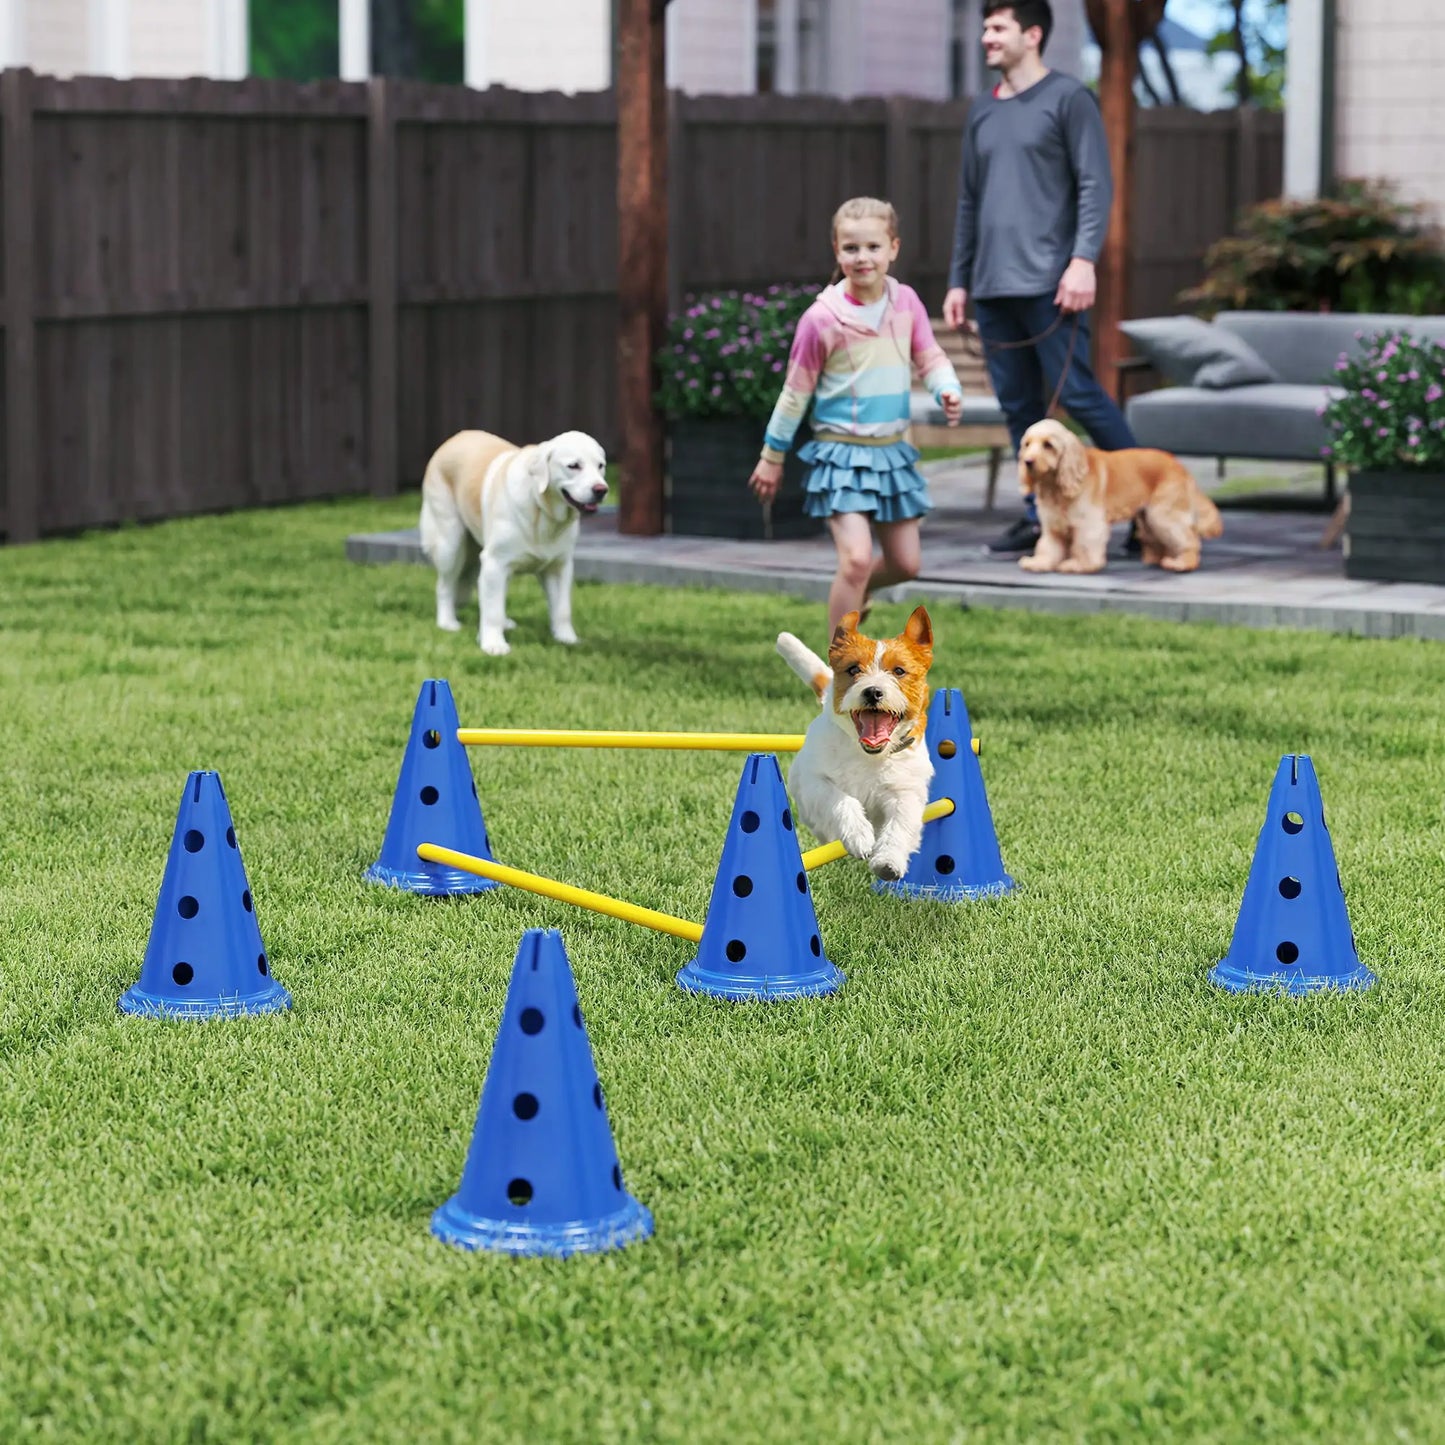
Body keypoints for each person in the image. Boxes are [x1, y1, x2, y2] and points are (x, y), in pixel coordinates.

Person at [943, 0, 1140, 556]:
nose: (986, 36)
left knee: (1077, 394)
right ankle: (1040, 517)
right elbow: (968, 202)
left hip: (1053, 282)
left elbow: (1094, 187)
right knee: (1019, 409)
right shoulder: (983, 110)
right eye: (985, 27)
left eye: (997, 27)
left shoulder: (1069, 99)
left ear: (1032, 35)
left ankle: (1145, 511)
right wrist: (959, 280)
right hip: (992, 286)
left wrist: (1083, 260)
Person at [749, 197, 965, 634]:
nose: (862, 257)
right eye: (851, 248)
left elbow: (930, 356)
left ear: (893, 248)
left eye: (872, 247)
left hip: (892, 454)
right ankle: (840, 670)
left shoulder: (906, 303)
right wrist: (772, 455)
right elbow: (795, 394)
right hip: (840, 456)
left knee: (907, 563)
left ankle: (859, 592)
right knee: (856, 559)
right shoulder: (821, 320)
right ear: (836, 250)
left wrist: (948, 387)